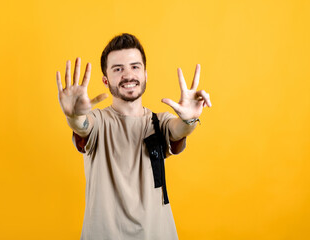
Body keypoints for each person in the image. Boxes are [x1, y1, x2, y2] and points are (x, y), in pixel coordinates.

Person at [56, 33, 211, 240]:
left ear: (146, 74)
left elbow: (178, 130)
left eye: (135, 67)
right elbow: (83, 127)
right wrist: (74, 116)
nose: (128, 75)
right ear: (105, 79)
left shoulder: (159, 122)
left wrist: (189, 120)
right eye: (118, 69)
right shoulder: (98, 122)